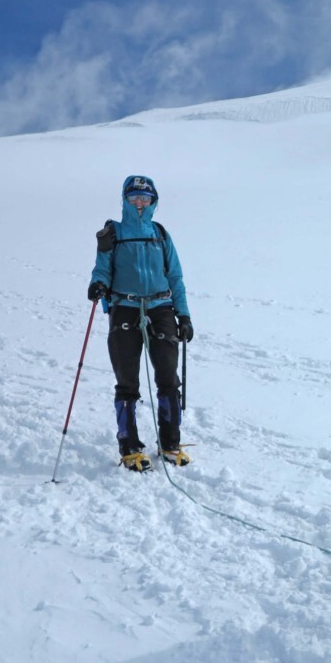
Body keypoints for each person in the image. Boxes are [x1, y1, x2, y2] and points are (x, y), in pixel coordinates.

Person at [88, 175, 193, 472]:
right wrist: (97, 285)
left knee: (168, 379)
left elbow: (176, 277)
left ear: (153, 201)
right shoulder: (114, 233)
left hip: (161, 308)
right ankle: (129, 445)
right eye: (134, 197)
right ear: (125, 199)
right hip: (125, 309)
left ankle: (170, 442)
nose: (139, 202)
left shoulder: (160, 234)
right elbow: (102, 269)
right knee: (127, 380)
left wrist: (183, 315)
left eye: (145, 198)